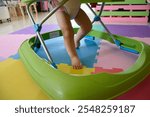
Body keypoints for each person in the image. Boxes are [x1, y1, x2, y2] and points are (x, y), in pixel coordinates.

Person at [51, 0, 92, 69]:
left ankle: (76, 39)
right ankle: (73, 56)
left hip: (76, 8)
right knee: (68, 31)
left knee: (87, 26)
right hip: (61, 7)